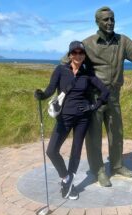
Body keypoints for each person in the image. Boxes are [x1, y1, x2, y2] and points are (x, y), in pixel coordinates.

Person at [61, 6, 132, 187]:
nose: (110, 23)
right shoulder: (87, 44)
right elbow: (65, 63)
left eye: (112, 19)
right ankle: (99, 170)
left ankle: (117, 166)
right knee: (93, 137)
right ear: (97, 22)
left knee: (116, 133)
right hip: (93, 98)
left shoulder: (122, 42)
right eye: (105, 20)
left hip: (114, 97)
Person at [34, 41, 109, 199]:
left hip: (83, 118)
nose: (78, 55)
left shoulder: (87, 74)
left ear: (84, 55)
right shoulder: (60, 70)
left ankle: (69, 185)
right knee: (52, 150)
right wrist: (41, 95)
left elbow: (105, 91)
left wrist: (94, 106)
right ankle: (65, 178)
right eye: (74, 52)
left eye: (81, 53)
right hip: (64, 117)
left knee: (76, 151)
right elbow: (50, 89)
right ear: (69, 55)